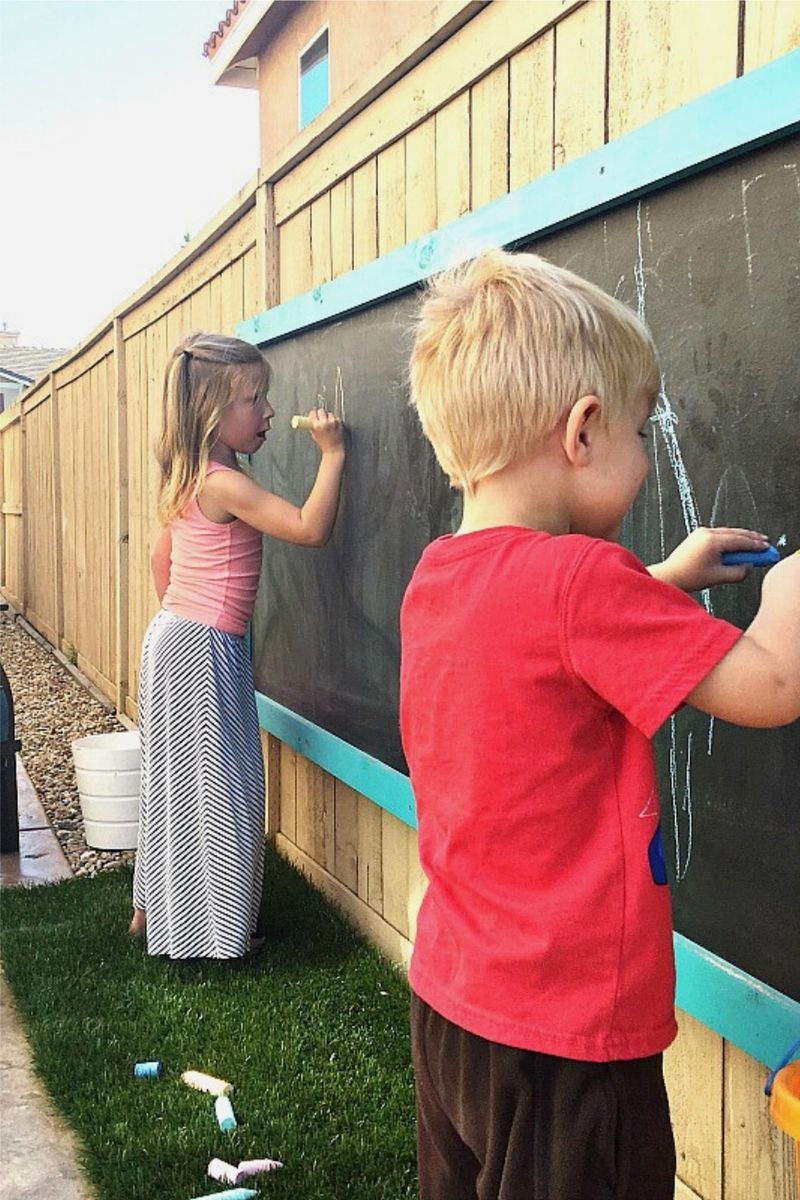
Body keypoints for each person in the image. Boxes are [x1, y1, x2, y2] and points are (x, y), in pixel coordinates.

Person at [399, 248, 800, 1200]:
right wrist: (788, 589)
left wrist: (663, 580)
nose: (647, 452)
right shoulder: (583, 580)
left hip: (454, 1007)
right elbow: (775, 684)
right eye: (641, 427)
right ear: (582, 431)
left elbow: (543, 637)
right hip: (566, 1042)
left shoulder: (440, 576)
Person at [130, 332, 345, 960]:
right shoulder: (223, 484)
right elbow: (309, 529)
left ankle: (152, 911)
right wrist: (333, 454)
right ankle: (216, 934)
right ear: (212, 411)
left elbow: (161, 559)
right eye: (256, 399)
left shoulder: (187, 474)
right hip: (202, 648)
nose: (270, 411)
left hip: (173, 637)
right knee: (221, 788)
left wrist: (183, 621)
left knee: (172, 781)